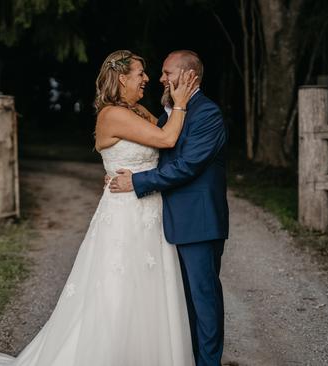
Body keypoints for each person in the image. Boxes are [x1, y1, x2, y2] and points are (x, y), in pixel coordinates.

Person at [0, 49, 198, 366]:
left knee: (149, 293)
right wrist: (180, 102)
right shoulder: (112, 114)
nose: (147, 79)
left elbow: (163, 145)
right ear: (122, 78)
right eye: (140, 73)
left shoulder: (138, 110)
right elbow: (166, 139)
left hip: (148, 212)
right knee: (118, 292)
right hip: (125, 217)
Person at [109, 50, 229, 366]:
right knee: (180, 302)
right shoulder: (169, 112)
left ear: (190, 76)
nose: (160, 79)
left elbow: (187, 166)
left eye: (167, 72)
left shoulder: (207, 114)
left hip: (199, 222)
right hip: (167, 221)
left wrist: (136, 182)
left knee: (203, 301)